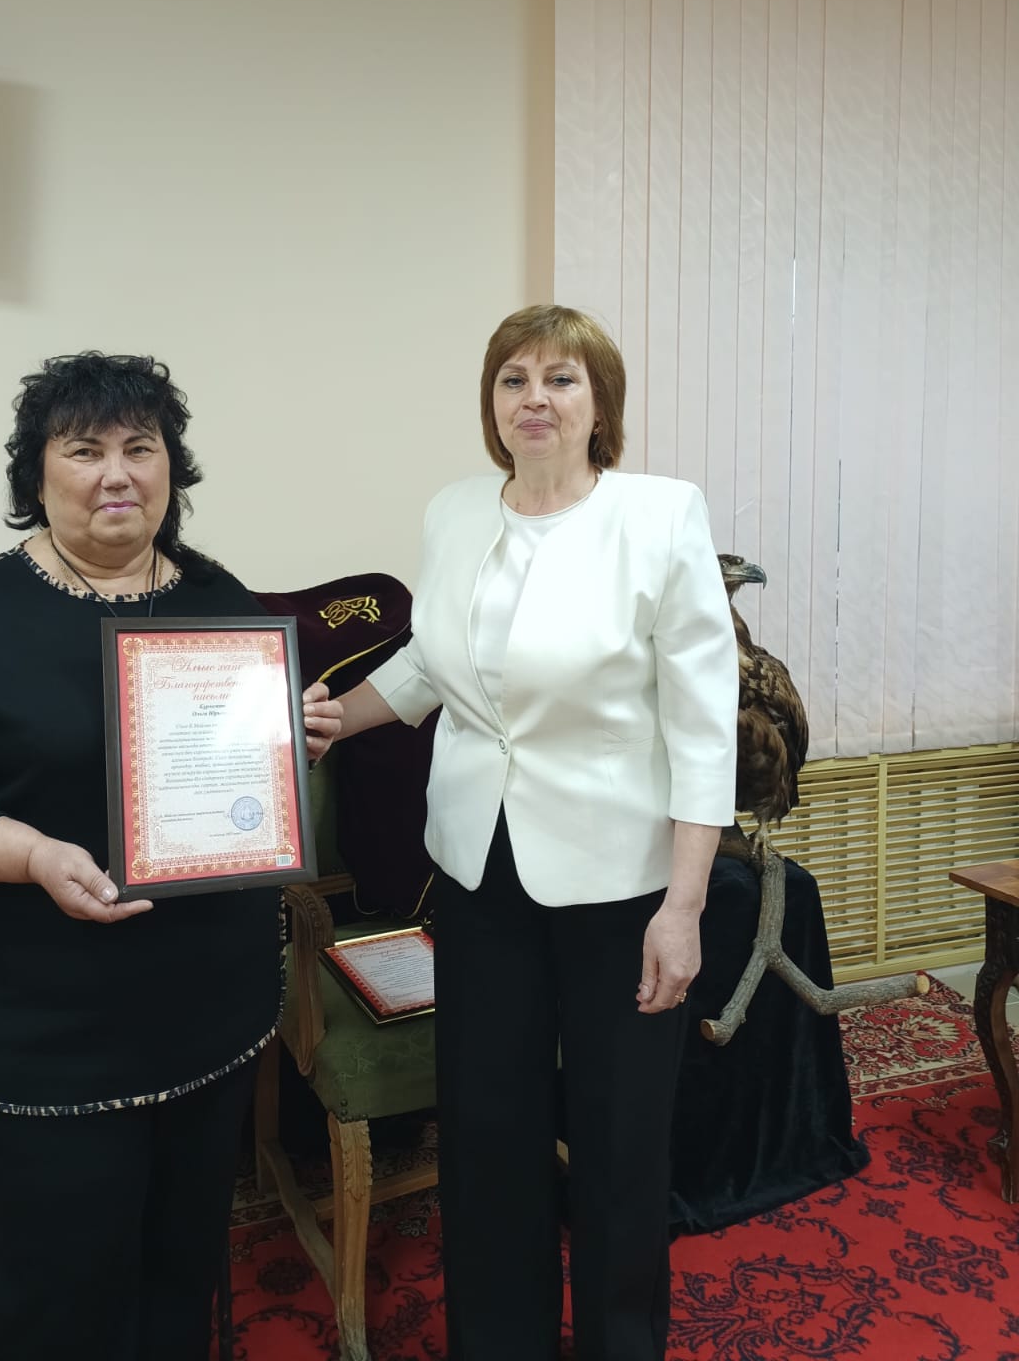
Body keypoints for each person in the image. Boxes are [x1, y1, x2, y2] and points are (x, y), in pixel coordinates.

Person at [0, 352, 342, 1361]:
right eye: (84, 450)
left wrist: (294, 738)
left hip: (208, 1011)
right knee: (61, 1284)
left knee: (181, 1262)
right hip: (48, 1024)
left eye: (139, 447)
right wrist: (30, 854)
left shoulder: (217, 597)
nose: (117, 473)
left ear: (171, 468)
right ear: (37, 474)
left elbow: (238, 773)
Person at [336, 304, 738, 1361]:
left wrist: (685, 907)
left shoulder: (660, 516)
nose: (535, 399)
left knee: (618, 1139)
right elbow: (432, 661)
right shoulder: (456, 510)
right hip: (480, 870)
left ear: (599, 403)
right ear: (492, 402)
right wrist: (336, 718)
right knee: (487, 1129)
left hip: (624, 883)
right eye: (514, 379)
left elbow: (704, 730)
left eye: (561, 379)